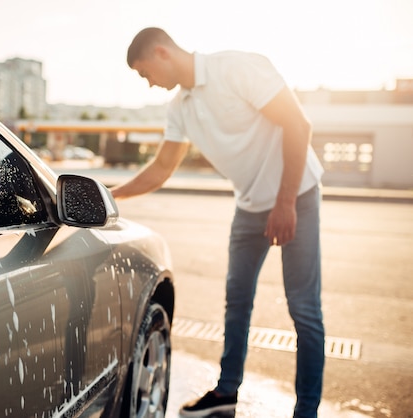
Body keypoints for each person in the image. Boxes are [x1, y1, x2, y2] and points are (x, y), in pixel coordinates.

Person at [110, 27, 325, 418]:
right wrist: (108, 195)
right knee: (236, 302)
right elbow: (160, 169)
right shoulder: (180, 109)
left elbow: (298, 124)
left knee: (304, 308)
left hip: (297, 195)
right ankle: (226, 392)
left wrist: (285, 202)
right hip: (249, 207)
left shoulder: (236, 68)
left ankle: (306, 411)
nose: (149, 84)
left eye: (146, 74)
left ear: (162, 52)